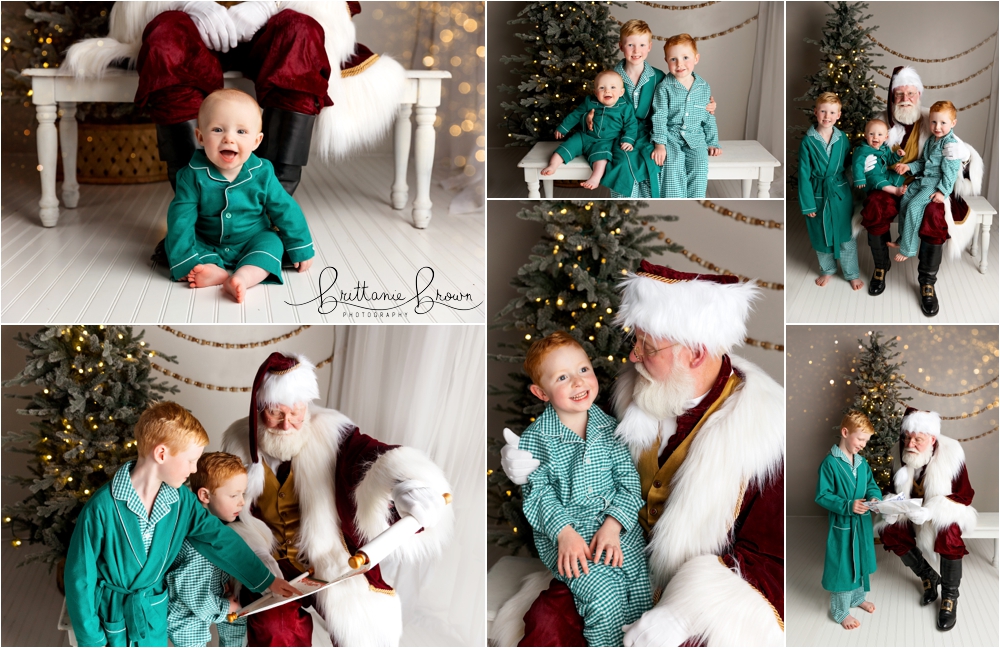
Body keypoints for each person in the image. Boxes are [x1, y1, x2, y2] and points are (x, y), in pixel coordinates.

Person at [496, 261, 784, 646]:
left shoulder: (764, 434)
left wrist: (683, 614)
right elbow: (577, 470)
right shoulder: (632, 394)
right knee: (547, 622)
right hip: (608, 559)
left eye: (646, 346)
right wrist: (526, 466)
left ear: (696, 354)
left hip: (692, 597)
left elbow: (769, 559)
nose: (632, 356)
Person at [221, 352, 454, 646]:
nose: (287, 424)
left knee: (362, 626)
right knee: (275, 629)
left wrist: (402, 484)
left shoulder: (332, 432)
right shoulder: (236, 445)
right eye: (276, 413)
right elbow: (221, 510)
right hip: (271, 567)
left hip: (330, 557)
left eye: (296, 412)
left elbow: (367, 456)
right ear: (258, 409)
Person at [66, 2, 407, 195]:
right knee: (165, 37)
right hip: (193, 27)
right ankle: (199, 207)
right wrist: (187, 3)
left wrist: (269, 4)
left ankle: (270, 205)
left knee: (301, 33)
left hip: (271, 30)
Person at [64, 402, 299, 647]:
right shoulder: (102, 508)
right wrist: (92, 639)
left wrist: (266, 580)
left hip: (151, 614)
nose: (194, 469)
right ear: (162, 454)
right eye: (190, 460)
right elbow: (80, 578)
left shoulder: (180, 501)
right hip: (111, 617)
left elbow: (219, 539)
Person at [517, 331, 652, 647]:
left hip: (615, 530)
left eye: (583, 370)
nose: (578, 383)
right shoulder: (536, 440)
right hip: (569, 537)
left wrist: (613, 526)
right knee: (604, 599)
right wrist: (564, 533)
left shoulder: (609, 429)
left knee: (640, 592)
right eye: (562, 377)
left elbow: (629, 486)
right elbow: (538, 495)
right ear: (542, 392)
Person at [164, 89, 314, 303]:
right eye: (217, 129)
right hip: (207, 238)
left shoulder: (263, 173)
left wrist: (301, 246)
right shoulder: (191, 175)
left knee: (272, 243)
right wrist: (184, 262)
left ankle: (244, 276)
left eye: (241, 132)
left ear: (256, 141)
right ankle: (214, 270)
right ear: (200, 137)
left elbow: (285, 208)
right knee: (175, 239)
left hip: (252, 238)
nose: (229, 139)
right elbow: (181, 218)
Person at [861, 66, 983, 310]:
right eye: (899, 95)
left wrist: (964, 155)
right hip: (890, 184)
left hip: (928, 185)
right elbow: (866, 149)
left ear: (919, 95)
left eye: (911, 94)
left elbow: (961, 159)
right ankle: (881, 267)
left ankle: (927, 281)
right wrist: (865, 162)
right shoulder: (881, 120)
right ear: (892, 97)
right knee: (875, 205)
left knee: (935, 214)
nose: (906, 100)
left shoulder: (933, 119)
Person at [876, 408, 977, 632]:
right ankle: (928, 576)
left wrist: (931, 512)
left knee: (949, 534)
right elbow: (893, 490)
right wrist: (891, 508)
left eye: (918, 439)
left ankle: (950, 597)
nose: (910, 443)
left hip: (943, 510)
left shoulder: (952, 454)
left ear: (932, 439)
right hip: (911, 511)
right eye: (907, 438)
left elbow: (965, 496)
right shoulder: (900, 453)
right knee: (889, 531)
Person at [600, 20, 716, 198]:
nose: (636, 50)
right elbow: (599, 100)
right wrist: (591, 115)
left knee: (657, 160)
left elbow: (680, 99)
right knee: (624, 162)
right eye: (630, 45)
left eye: (641, 45)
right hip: (621, 134)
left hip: (650, 132)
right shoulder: (612, 77)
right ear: (621, 46)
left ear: (649, 47)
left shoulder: (659, 77)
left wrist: (707, 105)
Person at [167, 452, 253, 647]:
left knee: (236, 621)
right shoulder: (198, 542)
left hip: (211, 596)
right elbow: (191, 592)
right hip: (185, 615)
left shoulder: (216, 528)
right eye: (234, 495)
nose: (242, 502)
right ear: (205, 495)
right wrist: (224, 606)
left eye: (243, 494)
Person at [815, 411, 882, 630]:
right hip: (843, 526)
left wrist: (874, 497)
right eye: (860, 439)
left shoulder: (862, 463)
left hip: (861, 524)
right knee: (843, 566)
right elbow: (822, 495)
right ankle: (840, 610)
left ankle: (857, 597)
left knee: (860, 561)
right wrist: (847, 505)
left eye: (866, 441)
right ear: (845, 432)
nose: (863, 444)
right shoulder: (830, 464)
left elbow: (871, 484)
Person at [888, 102, 962, 282]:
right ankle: (902, 238)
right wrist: (908, 166)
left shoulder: (950, 144)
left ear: (953, 123)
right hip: (922, 179)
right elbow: (923, 163)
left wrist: (942, 191)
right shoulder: (931, 140)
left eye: (943, 123)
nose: (937, 127)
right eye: (934, 122)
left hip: (934, 184)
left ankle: (909, 248)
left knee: (914, 207)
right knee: (905, 200)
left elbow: (951, 172)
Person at [798, 92, 862, 291]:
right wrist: (808, 204)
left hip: (840, 192)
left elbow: (847, 165)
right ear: (815, 112)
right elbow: (803, 174)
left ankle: (851, 273)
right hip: (818, 193)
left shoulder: (842, 138)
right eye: (823, 111)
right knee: (820, 234)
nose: (827, 116)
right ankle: (827, 269)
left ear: (839, 115)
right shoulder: (807, 141)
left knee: (846, 235)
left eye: (832, 112)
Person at [541, 70, 639, 190]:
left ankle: (595, 177)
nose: (607, 91)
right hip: (584, 136)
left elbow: (631, 125)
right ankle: (553, 165)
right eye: (602, 87)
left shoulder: (625, 107)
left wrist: (628, 140)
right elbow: (576, 114)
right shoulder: (590, 101)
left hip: (605, 141)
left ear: (621, 92)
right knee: (568, 145)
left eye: (613, 87)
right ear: (595, 92)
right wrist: (563, 128)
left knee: (602, 157)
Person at [650, 33, 721, 198]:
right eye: (673, 59)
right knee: (673, 166)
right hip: (671, 137)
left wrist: (712, 142)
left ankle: (695, 201)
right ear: (666, 61)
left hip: (695, 137)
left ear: (696, 58)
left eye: (685, 57)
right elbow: (659, 116)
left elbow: (708, 117)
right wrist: (660, 144)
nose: (679, 64)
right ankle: (675, 202)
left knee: (700, 165)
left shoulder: (703, 86)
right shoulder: (664, 87)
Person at [852, 119, 907, 197]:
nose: (875, 137)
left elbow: (889, 161)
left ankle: (901, 191)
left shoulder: (885, 148)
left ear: (886, 137)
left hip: (883, 173)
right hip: (870, 176)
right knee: (876, 180)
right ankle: (895, 191)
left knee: (896, 177)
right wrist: (859, 179)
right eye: (871, 134)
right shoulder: (862, 150)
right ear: (865, 136)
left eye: (879, 134)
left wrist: (897, 155)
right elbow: (857, 165)